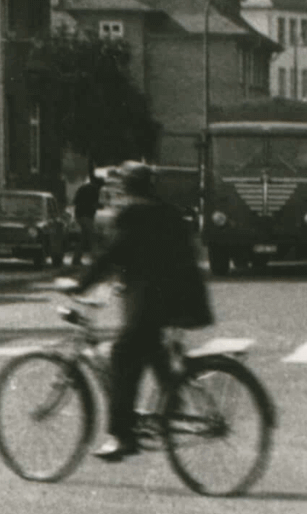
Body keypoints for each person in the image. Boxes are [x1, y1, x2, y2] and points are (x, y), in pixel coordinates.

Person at [67, 161, 214, 461]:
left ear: (127, 188)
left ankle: (121, 437)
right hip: (182, 303)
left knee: (122, 356)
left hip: (149, 306)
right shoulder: (169, 213)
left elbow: (113, 255)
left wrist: (80, 286)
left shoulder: (132, 214)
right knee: (151, 350)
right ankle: (172, 401)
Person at [70, 171, 103, 265]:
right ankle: (96, 259)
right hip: (87, 216)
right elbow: (94, 205)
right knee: (92, 238)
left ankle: (76, 259)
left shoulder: (82, 188)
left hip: (79, 215)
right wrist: (100, 206)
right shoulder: (94, 190)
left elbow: (75, 201)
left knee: (83, 238)